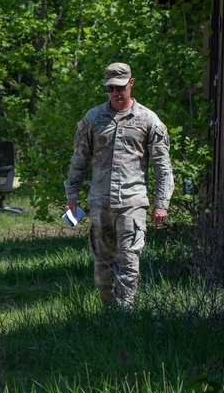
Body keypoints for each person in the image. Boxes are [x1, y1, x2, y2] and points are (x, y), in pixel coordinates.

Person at [64, 62, 174, 308]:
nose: (115, 92)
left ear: (131, 84)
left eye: (120, 87)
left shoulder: (148, 119)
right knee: (103, 263)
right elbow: (79, 160)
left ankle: (126, 313)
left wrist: (161, 203)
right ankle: (108, 312)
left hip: (132, 202)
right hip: (100, 202)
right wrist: (72, 196)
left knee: (129, 260)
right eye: (110, 88)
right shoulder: (94, 118)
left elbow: (162, 166)